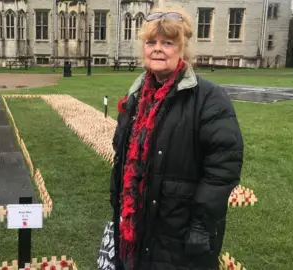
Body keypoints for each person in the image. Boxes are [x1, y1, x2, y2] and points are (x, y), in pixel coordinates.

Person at [110, 5, 244, 270]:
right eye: (151, 42)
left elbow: (222, 168)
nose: (157, 48)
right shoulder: (136, 97)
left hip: (180, 233)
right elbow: (122, 158)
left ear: (182, 48)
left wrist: (201, 225)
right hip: (136, 226)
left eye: (167, 42)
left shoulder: (208, 98)